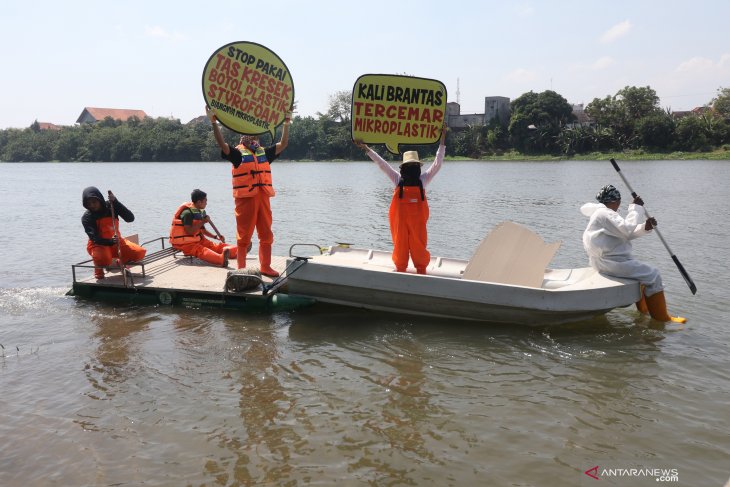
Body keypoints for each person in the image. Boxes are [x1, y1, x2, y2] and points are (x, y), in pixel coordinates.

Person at [205, 106, 291, 277]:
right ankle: (242, 269)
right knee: (244, 237)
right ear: (242, 136)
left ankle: (265, 266)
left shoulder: (264, 153)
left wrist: (287, 123)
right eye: (249, 135)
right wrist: (214, 122)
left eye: (254, 135)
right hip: (246, 200)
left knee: (266, 234)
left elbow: (284, 144)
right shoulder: (237, 154)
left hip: (263, 198)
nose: (252, 137)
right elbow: (221, 144)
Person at [581, 184, 685, 323]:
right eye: (618, 203)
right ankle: (662, 318)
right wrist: (635, 208)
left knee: (642, 276)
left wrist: (644, 227)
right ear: (615, 201)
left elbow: (624, 234)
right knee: (653, 275)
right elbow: (627, 229)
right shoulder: (605, 213)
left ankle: (645, 311)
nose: (618, 207)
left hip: (603, 262)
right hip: (612, 262)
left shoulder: (600, 214)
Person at [354, 126, 446, 274]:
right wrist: (366, 148)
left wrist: (442, 140)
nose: (412, 167)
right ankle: (401, 270)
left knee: (418, 247)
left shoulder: (416, 179)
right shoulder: (406, 179)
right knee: (400, 245)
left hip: (415, 222)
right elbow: (382, 163)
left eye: (413, 165)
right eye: (410, 165)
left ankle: (421, 270)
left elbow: (438, 163)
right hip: (402, 221)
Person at [82, 187, 146, 280]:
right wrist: (110, 241)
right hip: (98, 244)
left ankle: (120, 262)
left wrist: (116, 201)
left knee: (139, 253)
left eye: (94, 202)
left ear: (100, 199)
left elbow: (130, 218)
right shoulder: (87, 217)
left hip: (117, 241)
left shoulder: (111, 206)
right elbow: (94, 238)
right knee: (103, 260)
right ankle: (98, 270)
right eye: (89, 204)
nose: (92, 205)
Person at [169, 189, 238, 267]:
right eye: (205, 201)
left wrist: (215, 237)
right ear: (199, 202)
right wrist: (203, 221)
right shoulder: (187, 213)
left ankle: (238, 250)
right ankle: (220, 259)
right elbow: (189, 232)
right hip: (183, 244)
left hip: (196, 240)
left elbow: (203, 231)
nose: (206, 203)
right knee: (201, 250)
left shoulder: (198, 212)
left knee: (212, 245)